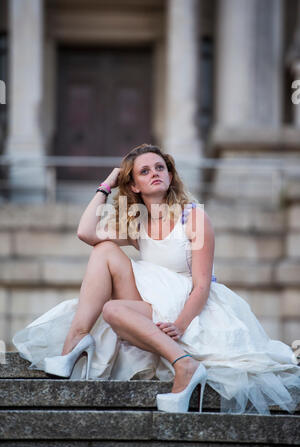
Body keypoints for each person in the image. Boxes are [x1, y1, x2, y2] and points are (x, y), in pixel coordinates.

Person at [13, 143, 300, 415]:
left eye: (160, 167)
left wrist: (180, 324)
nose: (155, 174)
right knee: (104, 250)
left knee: (112, 309)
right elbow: (86, 233)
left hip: (186, 303)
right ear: (134, 185)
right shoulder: (138, 223)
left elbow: (202, 284)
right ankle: (74, 341)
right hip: (150, 297)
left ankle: (184, 365)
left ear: (171, 175)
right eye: (145, 171)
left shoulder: (194, 217)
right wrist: (107, 184)